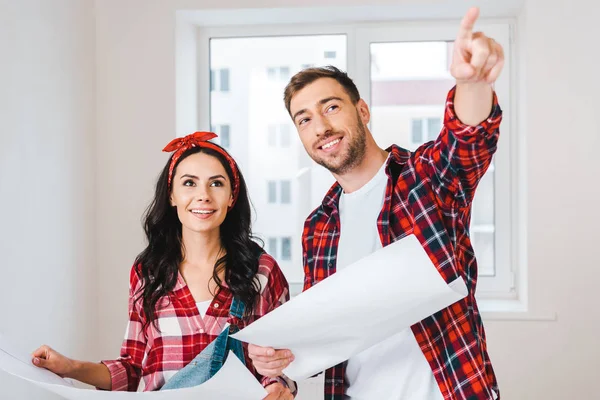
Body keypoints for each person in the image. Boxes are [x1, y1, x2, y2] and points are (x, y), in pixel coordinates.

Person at [248, 7, 503, 400]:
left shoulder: (423, 178)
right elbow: (325, 333)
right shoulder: (318, 227)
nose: (320, 126)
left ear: (362, 111)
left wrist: (471, 83)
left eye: (331, 107)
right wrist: (279, 361)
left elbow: (466, 142)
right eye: (304, 119)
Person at [32, 132, 295, 399]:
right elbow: (133, 369)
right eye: (189, 183)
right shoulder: (148, 272)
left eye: (216, 183)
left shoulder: (261, 271)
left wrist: (280, 385)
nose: (203, 195)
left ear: (231, 196)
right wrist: (71, 367)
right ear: (171, 196)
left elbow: (287, 364)